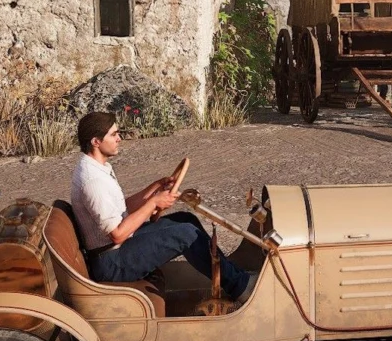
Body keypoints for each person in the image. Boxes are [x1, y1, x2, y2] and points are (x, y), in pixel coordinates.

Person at [69, 111, 255, 303]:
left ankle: (232, 276)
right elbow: (117, 234)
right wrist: (154, 203)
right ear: (96, 142)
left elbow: (121, 209)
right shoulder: (93, 181)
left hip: (117, 249)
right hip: (111, 262)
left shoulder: (97, 167)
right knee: (186, 234)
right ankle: (241, 287)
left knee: (185, 219)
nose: (119, 138)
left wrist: (156, 187)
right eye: (113, 134)